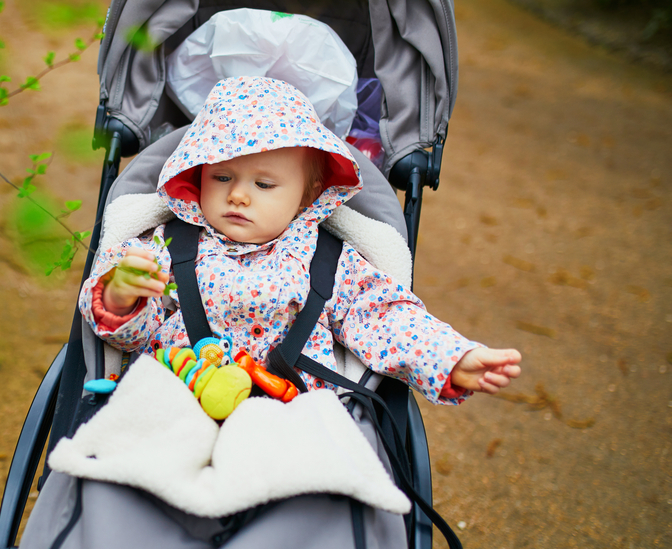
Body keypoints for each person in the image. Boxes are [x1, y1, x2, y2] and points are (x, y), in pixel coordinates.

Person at [78, 76, 520, 405]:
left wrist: (451, 359)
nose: (238, 194)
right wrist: (120, 298)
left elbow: (387, 319)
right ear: (196, 175)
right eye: (222, 177)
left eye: (264, 184)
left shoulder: (330, 262)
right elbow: (131, 337)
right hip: (178, 400)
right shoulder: (165, 247)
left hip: (292, 411)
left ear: (308, 195)